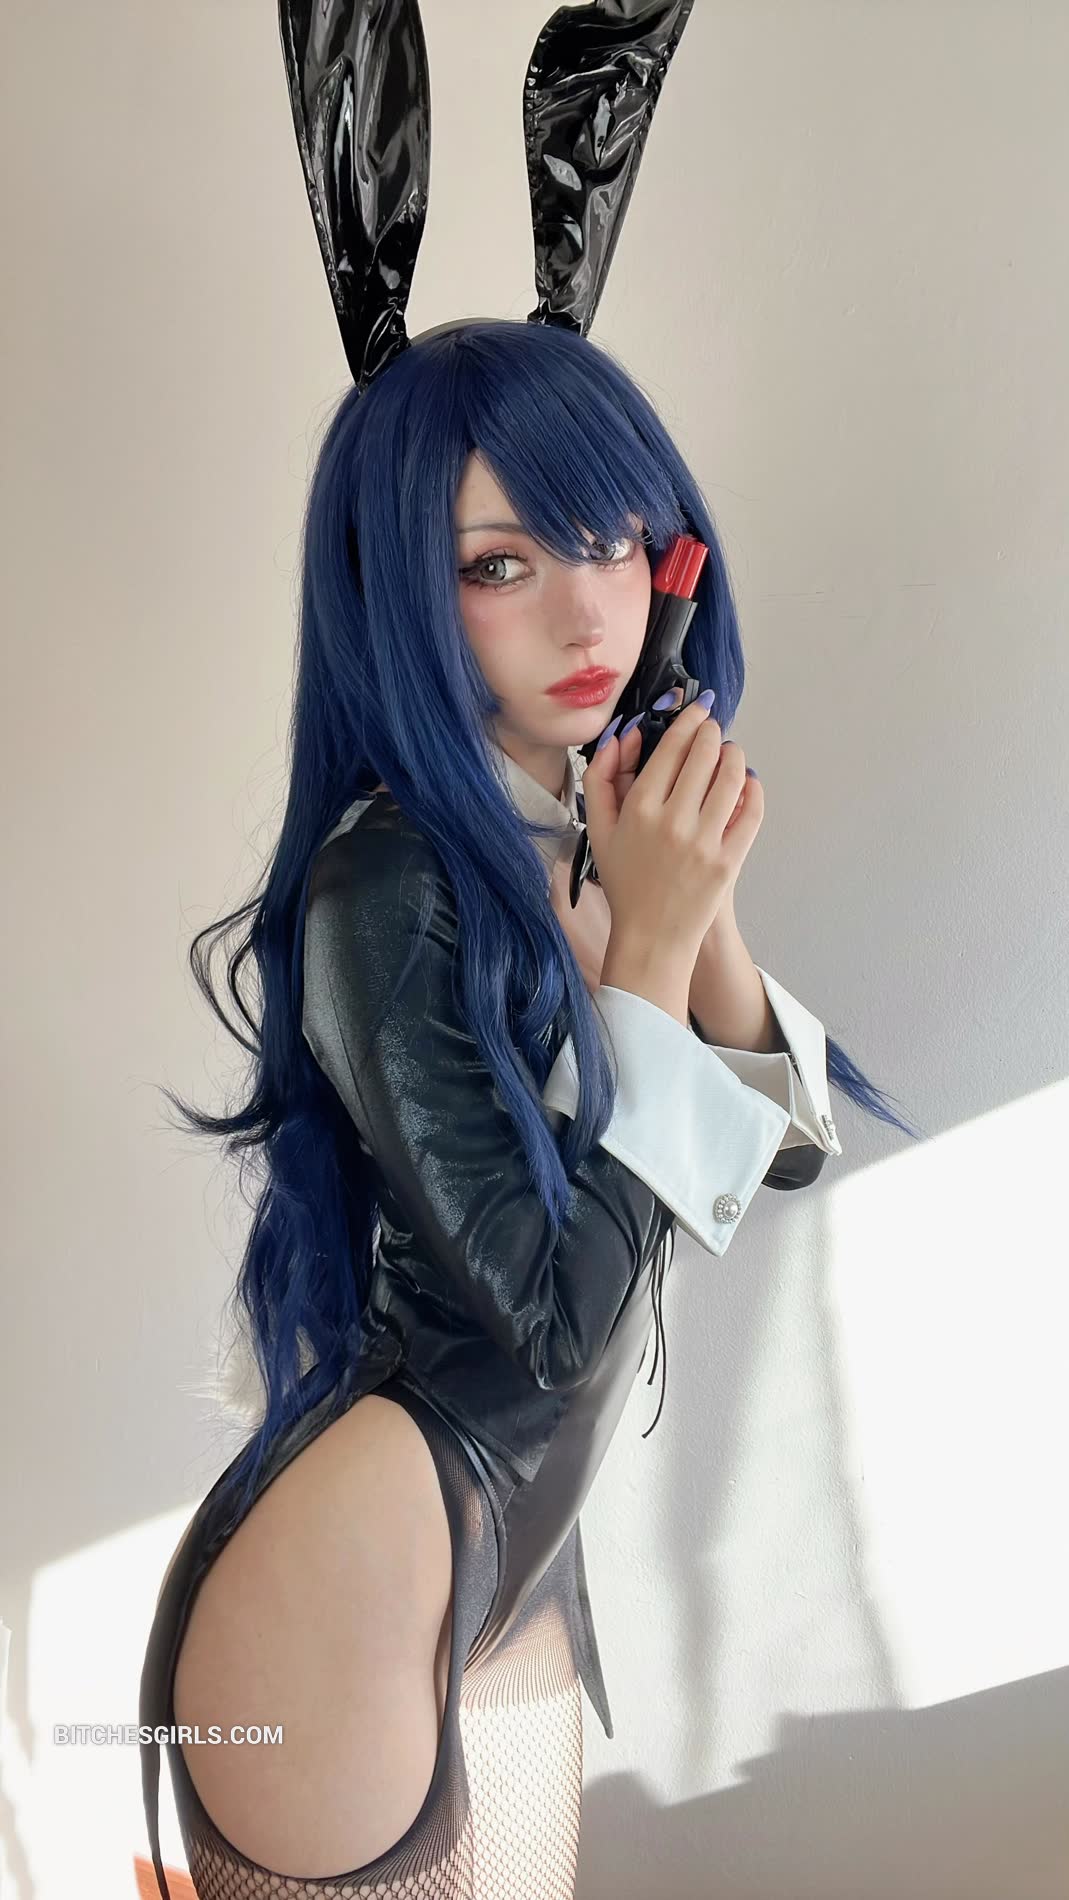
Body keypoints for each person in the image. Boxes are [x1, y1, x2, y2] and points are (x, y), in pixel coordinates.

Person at [139, 9, 921, 1897]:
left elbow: (778, 1158)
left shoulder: (577, 832)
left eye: (613, 545)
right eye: (499, 564)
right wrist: (642, 945)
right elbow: (556, 1320)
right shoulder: (381, 887)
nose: (584, 616)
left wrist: (684, 901)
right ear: (397, 592)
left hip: (519, 1554)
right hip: (350, 1567)